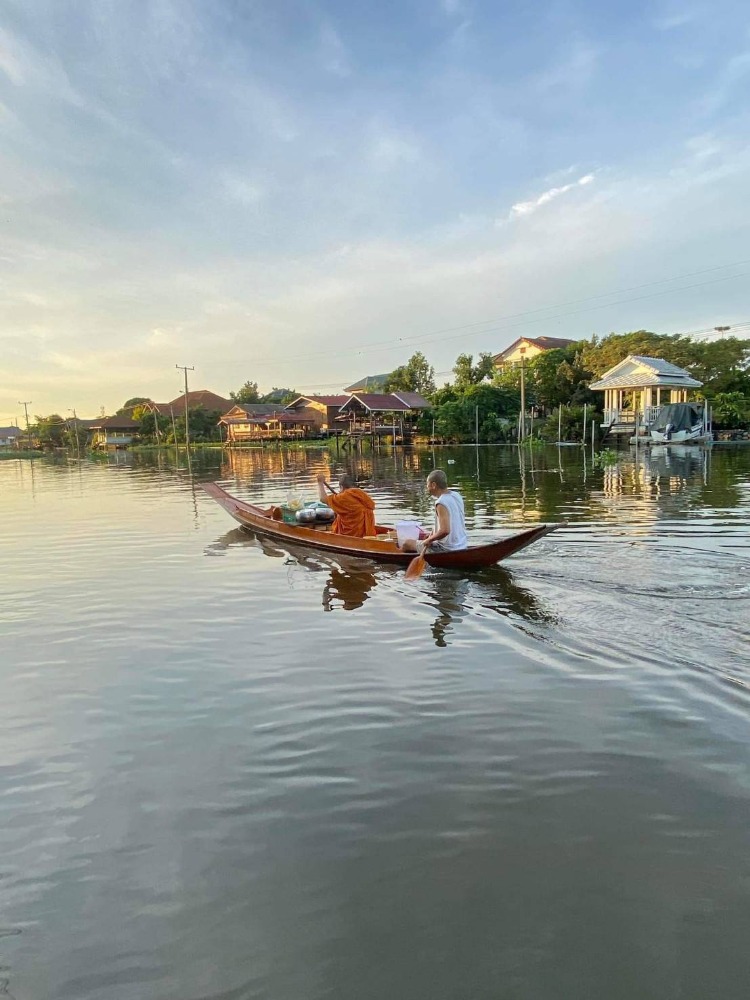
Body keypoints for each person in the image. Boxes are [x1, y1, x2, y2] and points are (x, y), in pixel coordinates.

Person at [402, 469, 468, 553]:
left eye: (427, 484)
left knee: (406, 543)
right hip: (462, 545)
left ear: (433, 485)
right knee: (422, 540)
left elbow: (445, 530)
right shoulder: (457, 495)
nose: (427, 487)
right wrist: (431, 535)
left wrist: (429, 540)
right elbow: (450, 523)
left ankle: (398, 559)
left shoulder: (441, 502)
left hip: (446, 549)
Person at [316, 473, 376, 537]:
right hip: (368, 535)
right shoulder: (362, 494)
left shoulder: (344, 497)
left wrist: (320, 483)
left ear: (341, 487)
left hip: (352, 535)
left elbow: (323, 499)